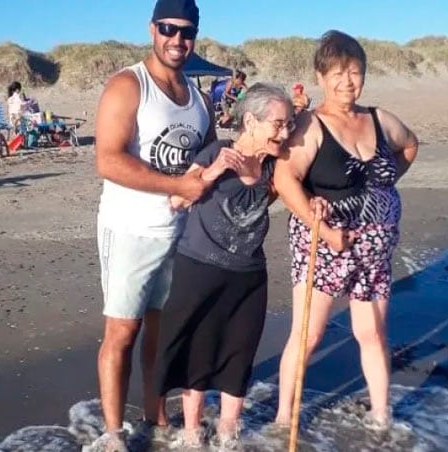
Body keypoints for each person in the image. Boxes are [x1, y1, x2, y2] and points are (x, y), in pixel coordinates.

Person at [273, 30, 419, 432]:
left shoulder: (379, 119)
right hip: (323, 244)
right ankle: (285, 417)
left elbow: (409, 146)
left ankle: (381, 416)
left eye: (354, 71)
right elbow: (286, 181)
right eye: (337, 72)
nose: (347, 81)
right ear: (321, 77)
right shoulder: (310, 126)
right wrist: (326, 228)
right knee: (309, 335)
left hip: (374, 250)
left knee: (371, 332)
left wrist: (379, 194)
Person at [93, 0, 216, 449]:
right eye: (168, 28)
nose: (177, 39)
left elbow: (207, 163)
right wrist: (176, 185)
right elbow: (107, 160)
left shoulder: (200, 99)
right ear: (152, 29)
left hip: (180, 239)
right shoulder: (129, 86)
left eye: (187, 32)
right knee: (122, 333)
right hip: (129, 230)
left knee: (162, 337)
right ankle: (112, 435)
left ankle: (156, 417)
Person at [155, 83, 293, 449]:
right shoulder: (218, 151)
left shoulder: (276, 166)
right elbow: (175, 201)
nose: (284, 132)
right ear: (250, 120)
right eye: (278, 124)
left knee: (239, 353)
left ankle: (229, 431)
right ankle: (192, 432)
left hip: (248, 276)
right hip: (200, 268)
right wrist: (213, 171)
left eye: (289, 124)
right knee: (198, 351)